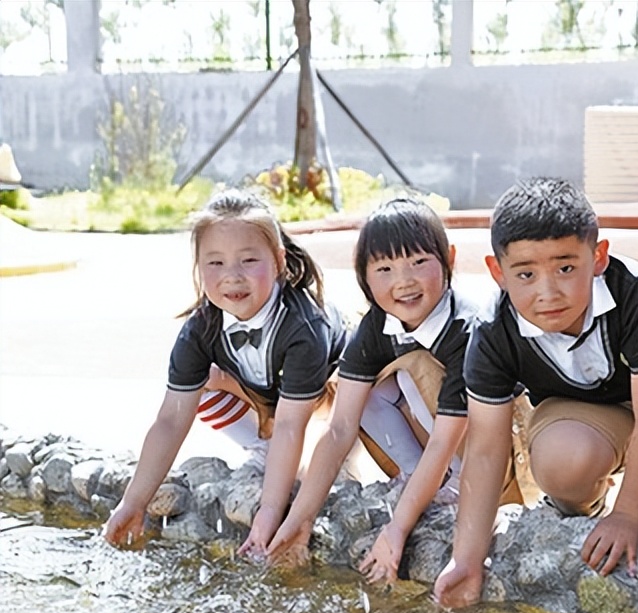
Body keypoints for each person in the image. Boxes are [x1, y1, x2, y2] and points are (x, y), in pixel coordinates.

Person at [433, 176, 638, 608]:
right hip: (583, 420)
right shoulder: (492, 331)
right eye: (526, 273)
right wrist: (466, 558)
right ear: (497, 272)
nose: (548, 291)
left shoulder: (634, 290)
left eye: (566, 267)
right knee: (562, 459)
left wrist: (630, 516)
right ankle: (584, 513)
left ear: (598, 256)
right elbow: (483, 450)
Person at [103, 188, 347, 557]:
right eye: (215, 263)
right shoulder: (202, 325)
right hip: (265, 397)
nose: (232, 276)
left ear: (279, 261)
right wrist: (133, 502)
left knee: (323, 460)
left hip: (328, 400)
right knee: (199, 388)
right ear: (198, 268)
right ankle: (264, 451)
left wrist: (269, 511)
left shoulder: (304, 327)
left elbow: (289, 424)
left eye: (249, 260)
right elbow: (170, 419)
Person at [264, 197, 487, 582]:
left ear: (449, 259)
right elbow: (338, 430)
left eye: (418, 262)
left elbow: (447, 439)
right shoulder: (376, 326)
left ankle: (441, 487)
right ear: (365, 277)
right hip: (438, 451)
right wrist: (300, 519)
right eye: (385, 269)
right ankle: (422, 485)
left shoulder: (467, 328)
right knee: (357, 387)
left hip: (491, 462)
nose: (403, 281)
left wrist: (397, 530)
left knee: (413, 366)